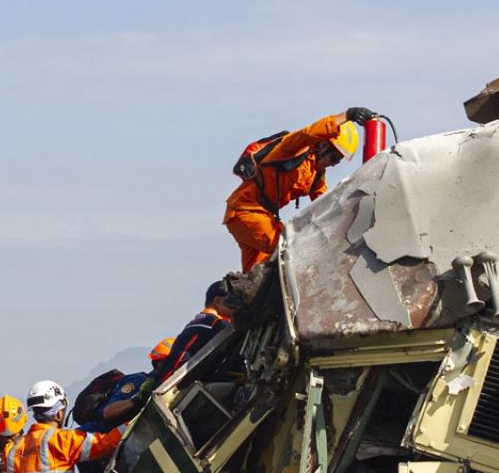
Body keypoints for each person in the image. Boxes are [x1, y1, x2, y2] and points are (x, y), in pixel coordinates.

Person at [223, 107, 376, 271]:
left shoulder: (316, 174)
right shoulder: (293, 150)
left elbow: (325, 203)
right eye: (334, 157)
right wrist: (346, 115)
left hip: (262, 217)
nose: (333, 164)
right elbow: (307, 134)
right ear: (323, 145)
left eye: (338, 161)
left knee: (258, 274)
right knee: (287, 248)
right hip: (245, 210)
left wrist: (350, 221)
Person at [75, 338, 173, 473]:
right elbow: (108, 412)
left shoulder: (164, 388)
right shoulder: (139, 382)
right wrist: (137, 400)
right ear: (159, 363)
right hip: (93, 437)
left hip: (115, 442)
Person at [152, 281, 235, 384]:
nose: (237, 305)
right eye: (233, 300)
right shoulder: (214, 323)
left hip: (169, 379)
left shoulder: (201, 320)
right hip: (177, 383)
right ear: (218, 301)